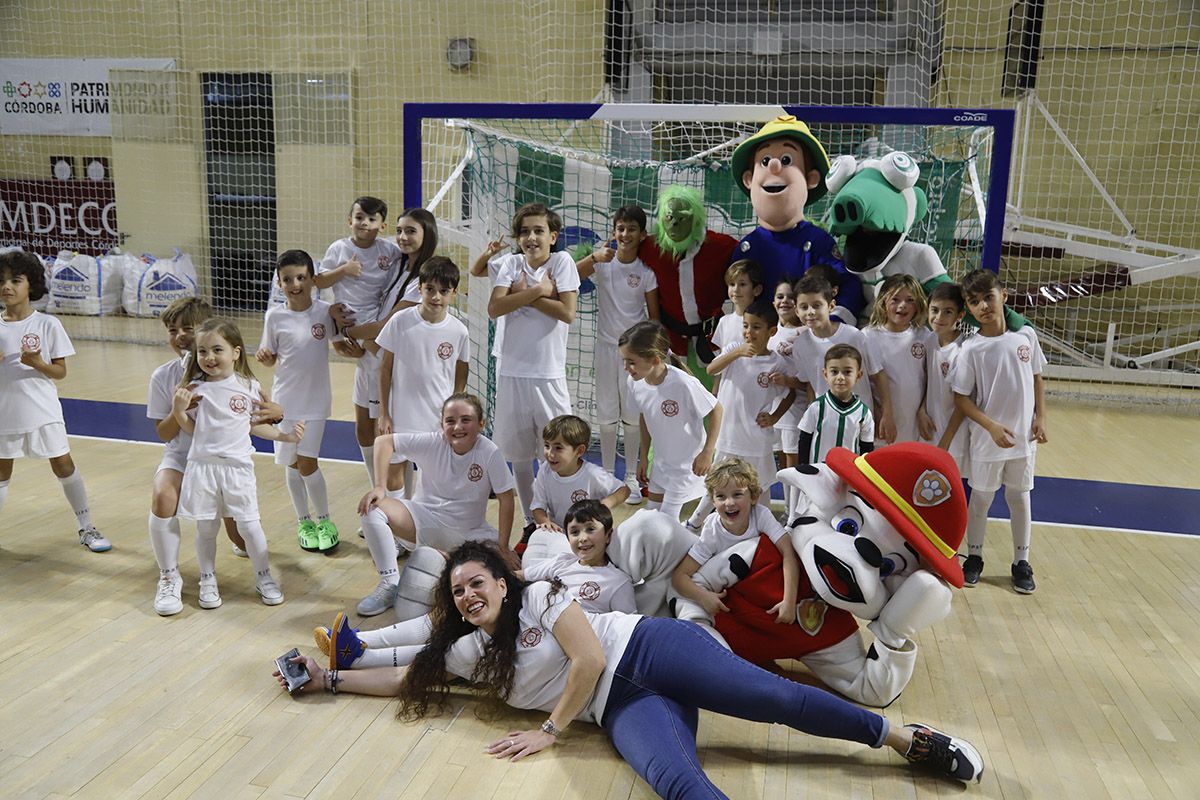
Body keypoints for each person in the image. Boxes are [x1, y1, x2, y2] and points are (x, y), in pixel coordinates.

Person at [275, 540, 987, 795]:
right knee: (677, 781)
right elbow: (405, 680)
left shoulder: (545, 593)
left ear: (500, 581)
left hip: (648, 650)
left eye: (477, 583)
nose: (468, 595)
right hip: (618, 708)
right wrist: (331, 679)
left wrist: (550, 730)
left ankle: (901, 739)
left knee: (776, 702)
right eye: (458, 592)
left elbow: (586, 658)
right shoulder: (464, 650)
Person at [313, 499, 637, 672]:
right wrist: (478, 577)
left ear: (608, 535)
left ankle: (356, 659)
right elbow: (519, 578)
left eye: (590, 530)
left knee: (448, 649)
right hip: (520, 617)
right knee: (443, 622)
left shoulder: (617, 581)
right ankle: (356, 640)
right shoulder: (563, 563)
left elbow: (622, 631)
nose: (582, 538)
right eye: (575, 532)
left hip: (548, 642)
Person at [147, 297, 278, 615]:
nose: (179, 336)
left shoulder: (236, 377)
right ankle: (169, 577)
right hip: (183, 456)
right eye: (172, 330)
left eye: (187, 328)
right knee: (164, 496)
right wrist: (179, 411)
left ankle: (263, 573)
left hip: (225, 460)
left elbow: (263, 417)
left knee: (240, 532)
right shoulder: (164, 376)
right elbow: (163, 434)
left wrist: (278, 411)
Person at [171, 318, 301, 608]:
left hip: (238, 468)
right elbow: (193, 431)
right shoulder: (194, 389)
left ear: (236, 353)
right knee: (206, 528)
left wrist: (286, 436)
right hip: (202, 467)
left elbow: (254, 426)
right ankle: (207, 579)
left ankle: (264, 576)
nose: (209, 357)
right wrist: (179, 411)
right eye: (202, 351)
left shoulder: (249, 387)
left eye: (217, 349)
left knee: (250, 526)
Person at [354, 393, 516, 616]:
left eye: (465, 419)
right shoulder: (433, 442)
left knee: (511, 573)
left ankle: (446, 569)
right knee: (371, 509)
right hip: (424, 521)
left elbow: (506, 499)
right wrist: (380, 487)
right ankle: (390, 583)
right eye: (450, 420)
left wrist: (504, 545)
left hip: (469, 533)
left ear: (481, 424)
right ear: (442, 425)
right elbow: (384, 441)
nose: (457, 426)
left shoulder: (489, 452)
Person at [0, 250, 108, 552]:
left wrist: (37, 364)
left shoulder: (48, 324)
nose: (7, 286)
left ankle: (87, 527)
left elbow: (60, 372)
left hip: (42, 411)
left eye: (15, 280)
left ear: (31, 285)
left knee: (63, 464)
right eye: (1, 281)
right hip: (4, 412)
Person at [485, 203, 580, 535]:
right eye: (524, 231)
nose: (531, 237)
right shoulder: (510, 263)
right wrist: (540, 291)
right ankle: (532, 522)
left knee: (558, 453)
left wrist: (524, 293)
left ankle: (566, 519)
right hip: (511, 372)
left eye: (539, 231)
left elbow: (567, 312)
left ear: (552, 236)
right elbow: (495, 307)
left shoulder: (563, 262)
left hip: (547, 374)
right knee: (520, 456)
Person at [953, 269, 1048, 594]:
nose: (983, 306)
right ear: (968, 308)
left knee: (1019, 498)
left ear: (1003, 296)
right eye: (974, 301)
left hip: (1023, 441)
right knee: (980, 499)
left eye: (988, 297)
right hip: (986, 441)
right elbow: (961, 399)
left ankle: (1022, 561)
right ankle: (975, 557)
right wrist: (991, 426)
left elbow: (1037, 377)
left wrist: (1040, 418)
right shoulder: (971, 349)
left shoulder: (1025, 338)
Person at [257, 250, 357, 553]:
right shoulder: (274, 316)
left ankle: (325, 520)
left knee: (308, 462)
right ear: (279, 282)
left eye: (301, 277)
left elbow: (339, 345)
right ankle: (304, 522)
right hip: (285, 402)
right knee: (291, 462)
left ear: (313, 279)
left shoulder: (326, 312)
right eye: (288, 279)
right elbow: (270, 356)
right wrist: (266, 357)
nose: (295, 284)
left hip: (316, 402)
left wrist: (362, 350)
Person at [314, 196, 402, 494]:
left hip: (374, 336)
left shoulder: (390, 251)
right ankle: (380, 492)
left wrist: (367, 338)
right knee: (363, 425)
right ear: (349, 220)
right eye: (360, 217)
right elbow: (320, 280)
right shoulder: (339, 249)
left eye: (372, 219)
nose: (365, 223)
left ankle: (394, 499)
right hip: (351, 331)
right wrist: (344, 271)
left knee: (382, 427)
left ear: (382, 225)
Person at [684, 299, 794, 530]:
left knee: (759, 485)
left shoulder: (777, 363)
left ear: (771, 331)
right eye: (746, 325)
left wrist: (774, 417)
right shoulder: (733, 350)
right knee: (718, 481)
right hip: (728, 434)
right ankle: (695, 523)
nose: (748, 332)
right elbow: (711, 369)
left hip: (756, 438)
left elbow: (790, 394)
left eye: (756, 327)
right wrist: (736, 353)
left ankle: (765, 529)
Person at [574, 204, 659, 500]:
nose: (625, 234)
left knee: (633, 418)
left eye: (631, 229)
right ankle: (608, 476)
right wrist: (594, 256)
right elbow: (570, 274)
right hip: (605, 348)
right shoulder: (604, 263)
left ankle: (631, 478)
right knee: (607, 416)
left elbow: (654, 318)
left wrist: (653, 352)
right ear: (614, 231)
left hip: (635, 355)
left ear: (642, 235)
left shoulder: (646, 273)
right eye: (620, 228)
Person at [376, 256, 470, 500]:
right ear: (420, 289)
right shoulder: (400, 321)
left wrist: (453, 411)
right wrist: (385, 413)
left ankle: (425, 526)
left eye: (443, 291)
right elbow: (385, 369)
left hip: (436, 419)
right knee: (394, 474)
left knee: (433, 478)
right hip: (401, 415)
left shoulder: (459, 330)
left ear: (454, 293)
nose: (436, 297)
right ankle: (398, 533)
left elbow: (462, 369)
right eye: (430, 289)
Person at [673, 458, 799, 624]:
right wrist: (703, 597)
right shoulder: (712, 531)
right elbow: (679, 577)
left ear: (753, 497)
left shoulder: (761, 515)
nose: (729, 503)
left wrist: (789, 601)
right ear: (712, 501)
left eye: (737, 494)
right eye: (721, 496)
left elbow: (788, 551)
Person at [620, 320, 723, 521]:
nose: (626, 367)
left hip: (686, 466)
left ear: (655, 360)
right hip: (661, 463)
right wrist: (643, 457)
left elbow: (717, 410)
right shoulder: (634, 383)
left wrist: (707, 453)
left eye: (631, 362)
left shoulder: (682, 383)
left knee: (666, 523)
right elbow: (645, 416)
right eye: (624, 360)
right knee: (651, 516)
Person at [785, 273, 889, 445]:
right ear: (796, 310)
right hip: (826, 423)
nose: (810, 312)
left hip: (859, 423)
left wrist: (886, 414)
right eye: (804, 307)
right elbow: (811, 384)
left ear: (831, 306)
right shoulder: (800, 345)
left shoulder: (855, 336)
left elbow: (878, 375)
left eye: (817, 305)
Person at [861, 274, 935, 445]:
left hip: (915, 427)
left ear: (918, 305)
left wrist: (923, 409)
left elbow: (932, 379)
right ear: (883, 302)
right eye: (895, 299)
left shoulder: (925, 336)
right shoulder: (868, 336)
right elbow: (863, 385)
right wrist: (880, 414)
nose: (903, 305)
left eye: (910, 300)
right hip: (882, 426)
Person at [530, 415, 629, 535]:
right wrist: (545, 522)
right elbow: (537, 506)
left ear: (579, 451)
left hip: (587, 534)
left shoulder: (592, 473)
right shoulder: (544, 471)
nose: (550, 453)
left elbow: (624, 490)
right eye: (547, 446)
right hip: (559, 533)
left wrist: (603, 506)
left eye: (558, 448)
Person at [767, 278, 809, 518]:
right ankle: (786, 510)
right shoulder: (771, 332)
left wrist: (788, 382)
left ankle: (794, 514)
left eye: (790, 297)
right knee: (782, 462)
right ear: (773, 301)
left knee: (793, 463)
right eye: (780, 296)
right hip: (774, 408)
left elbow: (809, 379)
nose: (785, 301)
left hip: (795, 409)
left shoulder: (804, 334)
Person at [797, 344, 876, 466]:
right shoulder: (817, 407)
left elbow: (867, 449)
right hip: (818, 474)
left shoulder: (864, 413)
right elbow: (804, 441)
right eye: (834, 371)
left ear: (858, 375)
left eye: (847, 372)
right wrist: (803, 469)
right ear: (825, 374)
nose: (840, 377)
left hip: (848, 476)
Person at [925, 282, 970, 471]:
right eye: (934, 310)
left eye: (948, 312)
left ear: (960, 316)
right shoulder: (928, 340)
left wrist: (945, 442)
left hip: (953, 436)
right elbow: (927, 382)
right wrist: (921, 411)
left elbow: (962, 403)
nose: (939, 317)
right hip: (928, 429)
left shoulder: (963, 351)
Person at [385, 207, 440, 312]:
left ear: (428, 234)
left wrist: (345, 329)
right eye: (399, 231)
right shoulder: (398, 265)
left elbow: (386, 324)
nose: (402, 237)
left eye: (411, 231)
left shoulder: (428, 278)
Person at [709, 259, 765, 355]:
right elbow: (720, 355)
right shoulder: (724, 321)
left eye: (742, 284)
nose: (735, 289)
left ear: (757, 290)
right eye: (732, 284)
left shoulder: (763, 322)